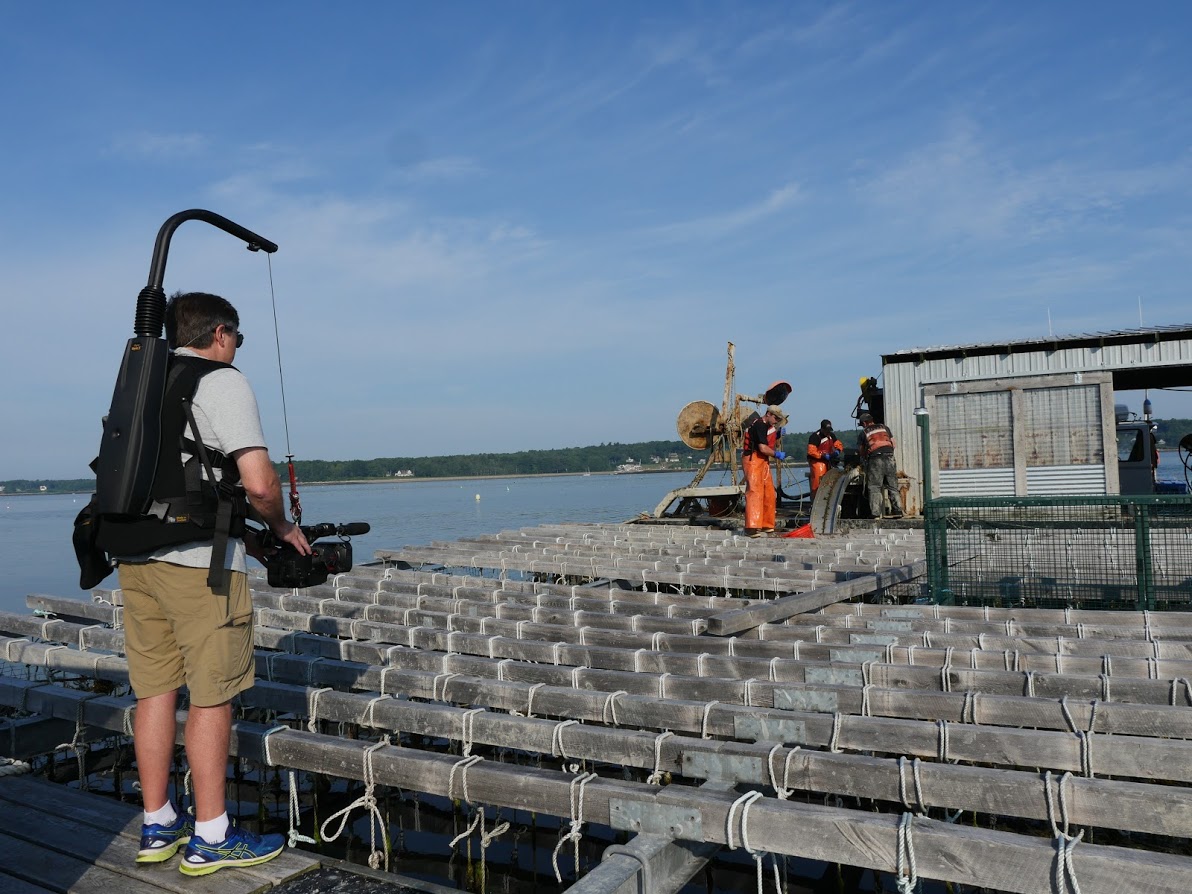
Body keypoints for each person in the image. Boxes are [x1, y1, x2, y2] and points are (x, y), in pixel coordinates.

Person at [115, 292, 310, 875]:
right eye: (238, 338)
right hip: (198, 568)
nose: (237, 348)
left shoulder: (146, 380)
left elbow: (186, 477)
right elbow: (259, 481)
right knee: (211, 693)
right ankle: (211, 835)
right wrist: (280, 525)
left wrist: (247, 537)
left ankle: (157, 824)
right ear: (220, 333)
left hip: (136, 554)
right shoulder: (221, 380)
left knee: (153, 691)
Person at [742, 404, 788, 536]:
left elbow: (767, 439)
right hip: (753, 459)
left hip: (763, 461)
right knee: (754, 492)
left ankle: (766, 524)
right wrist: (777, 454)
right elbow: (762, 447)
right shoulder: (759, 425)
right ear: (768, 414)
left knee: (769, 493)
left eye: (778, 419)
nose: (777, 421)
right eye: (775, 418)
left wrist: (777, 434)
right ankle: (752, 527)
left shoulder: (768, 427)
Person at [857, 412, 902, 519]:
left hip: (875, 459)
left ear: (864, 423)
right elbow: (893, 444)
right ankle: (898, 511)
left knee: (874, 487)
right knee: (892, 486)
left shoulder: (864, 432)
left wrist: (864, 459)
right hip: (890, 457)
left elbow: (861, 450)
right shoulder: (884, 428)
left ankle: (875, 513)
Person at [806, 419, 843, 498]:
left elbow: (839, 444)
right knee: (817, 483)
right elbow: (811, 451)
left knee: (830, 481)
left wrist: (837, 451)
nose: (828, 433)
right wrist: (822, 456)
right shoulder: (815, 437)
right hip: (817, 462)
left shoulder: (831, 435)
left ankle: (827, 499)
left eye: (829, 431)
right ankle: (815, 500)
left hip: (828, 462)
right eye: (826, 431)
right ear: (822, 429)